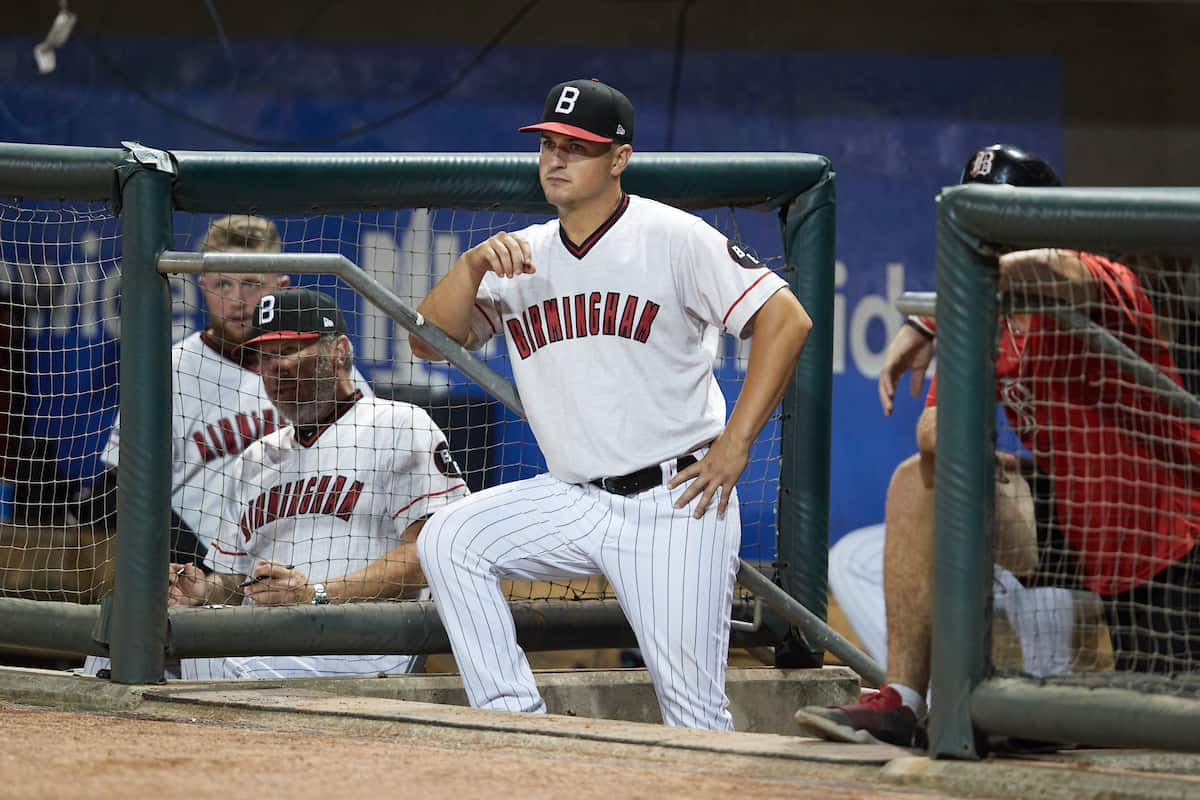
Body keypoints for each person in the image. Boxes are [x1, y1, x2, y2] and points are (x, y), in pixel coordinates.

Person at [409, 77, 812, 730]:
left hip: (676, 499)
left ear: (618, 159)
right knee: (453, 538)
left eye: (579, 147)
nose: (557, 160)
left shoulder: (673, 236)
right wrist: (470, 267)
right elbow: (425, 341)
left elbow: (787, 320)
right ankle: (518, 728)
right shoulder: (519, 257)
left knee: (695, 717)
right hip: (574, 498)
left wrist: (736, 443)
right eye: (549, 145)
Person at [796, 144, 1200, 747]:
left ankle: (1031, 713)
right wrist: (951, 320)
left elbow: (1059, 272)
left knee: (1166, 739)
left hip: (1174, 535)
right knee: (917, 477)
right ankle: (905, 702)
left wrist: (939, 308)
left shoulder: (1098, 277)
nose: (988, 233)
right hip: (1079, 525)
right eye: (978, 217)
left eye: (1004, 217)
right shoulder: (981, 312)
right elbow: (932, 432)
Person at [77, 215, 371, 678]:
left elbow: (365, 464)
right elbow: (120, 486)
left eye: (252, 283)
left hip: (302, 570)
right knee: (109, 664)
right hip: (199, 571)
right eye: (222, 283)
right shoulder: (168, 367)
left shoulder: (322, 371)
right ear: (200, 283)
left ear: (281, 283)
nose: (237, 300)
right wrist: (182, 561)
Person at [170, 287, 469, 679]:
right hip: (265, 641)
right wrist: (202, 592)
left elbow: (431, 553)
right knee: (126, 645)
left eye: (291, 349)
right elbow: (231, 581)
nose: (276, 368)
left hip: (361, 643)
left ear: (340, 351)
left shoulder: (399, 425)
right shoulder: (256, 459)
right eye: (266, 355)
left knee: (224, 667)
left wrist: (316, 594)